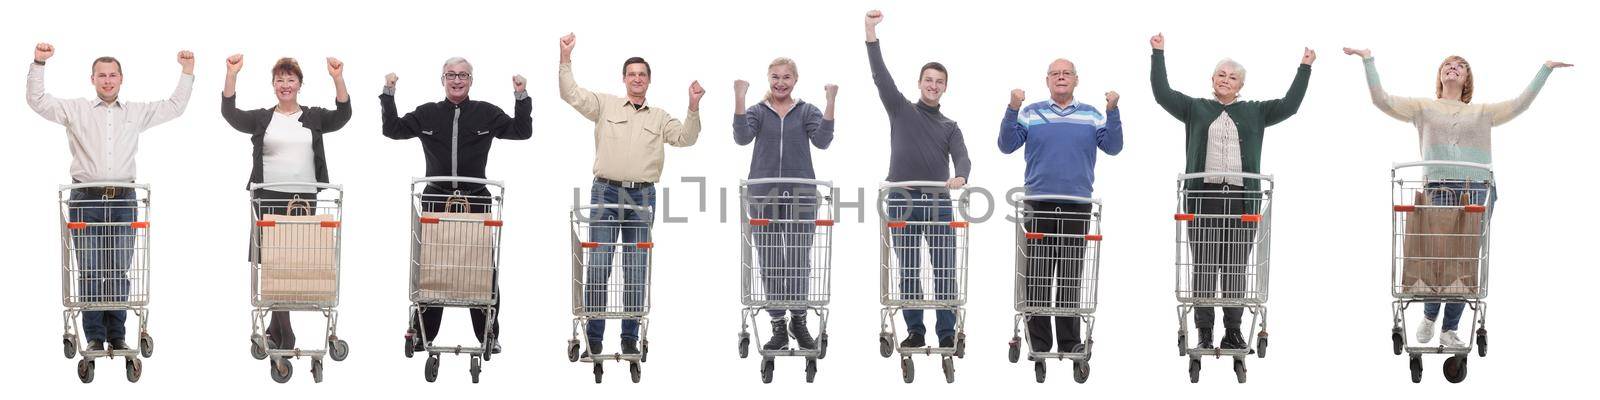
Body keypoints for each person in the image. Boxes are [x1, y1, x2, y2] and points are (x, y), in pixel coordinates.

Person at [1342, 46, 1571, 348]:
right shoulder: (1422, 107)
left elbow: (1519, 105)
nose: (1453, 67)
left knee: (1462, 260)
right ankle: (1429, 315)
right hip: (1438, 187)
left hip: (1476, 187)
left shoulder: (1483, 112)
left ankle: (1449, 327)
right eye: (1447, 64)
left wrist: (1546, 68)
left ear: (1467, 79)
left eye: (1460, 65)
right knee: (1439, 255)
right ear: (1440, 76)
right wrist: (1368, 59)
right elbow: (1380, 100)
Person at [27, 43, 195, 352]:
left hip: (123, 200)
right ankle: (94, 335)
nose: (107, 80)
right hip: (85, 199)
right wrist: (39, 62)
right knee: (90, 268)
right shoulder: (75, 109)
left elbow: (174, 106)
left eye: (113, 75)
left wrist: (186, 71)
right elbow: (37, 100)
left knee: (119, 267)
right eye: (101, 75)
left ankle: (117, 334)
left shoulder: (135, 112)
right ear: (92, 79)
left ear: (121, 79)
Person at [1149, 33, 1312, 350]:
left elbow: (1290, 106)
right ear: (1212, 79)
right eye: (1221, 75)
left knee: (1237, 266)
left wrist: (1304, 67)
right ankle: (1205, 331)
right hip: (1203, 199)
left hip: (1241, 201)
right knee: (1205, 266)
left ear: (1241, 86)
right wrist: (1158, 53)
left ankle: (1233, 330)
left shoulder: (1255, 111)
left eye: (1233, 77)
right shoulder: (1195, 108)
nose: (1226, 80)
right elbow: (1162, 94)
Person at [558, 33, 702, 356]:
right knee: (599, 264)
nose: (637, 79)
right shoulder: (605, 105)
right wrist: (566, 58)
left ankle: (629, 337)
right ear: (624, 79)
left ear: (649, 81)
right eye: (631, 74)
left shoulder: (660, 117)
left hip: (642, 198)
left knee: (636, 267)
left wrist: (692, 108)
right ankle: (594, 335)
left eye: (642, 74)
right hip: (605, 193)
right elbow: (571, 94)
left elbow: (685, 138)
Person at [382, 57, 532, 355]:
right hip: (436, 199)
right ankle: (423, 334)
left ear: (471, 80)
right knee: (432, 268)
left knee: (479, 269)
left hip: (475, 199)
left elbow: (521, 130)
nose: (457, 79)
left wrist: (521, 96)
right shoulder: (427, 113)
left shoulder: (486, 112)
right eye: (451, 74)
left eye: (463, 75)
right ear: (442, 80)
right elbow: (393, 129)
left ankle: (488, 333)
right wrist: (388, 92)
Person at [220, 54, 351, 352]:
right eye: (279, 80)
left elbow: (343, 115)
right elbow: (230, 114)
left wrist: (338, 78)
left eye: (290, 79)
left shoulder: (313, 117)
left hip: (304, 200)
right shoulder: (262, 118)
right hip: (268, 199)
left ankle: (274, 331)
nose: (285, 84)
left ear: (300, 84)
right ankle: (286, 334)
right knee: (275, 264)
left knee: (296, 263)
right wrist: (231, 75)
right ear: (273, 85)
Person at [998, 58, 1122, 369]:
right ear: (1047, 80)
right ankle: (1039, 344)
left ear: (1076, 80)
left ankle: (1070, 341)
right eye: (1055, 74)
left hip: (1077, 204)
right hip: (1038, 203)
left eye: (1067, 74)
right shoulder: (1031, 112)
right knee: (1038, 276)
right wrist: (1012, 108)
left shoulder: (1092, 114)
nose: (1061, 78)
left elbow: (1114, 146)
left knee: (1070, 276)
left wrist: (1113, 111)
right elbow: (1006, 144)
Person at [865, 10, 973, 349]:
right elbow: (880, 75)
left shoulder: (950, 126)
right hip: (902, 200)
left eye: (940, 82)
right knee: (909, 268)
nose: (933, 85)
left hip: (939, 202)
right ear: (919, 82)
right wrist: (870, 32)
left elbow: (963, 156)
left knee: (944, 269)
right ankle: (915, 331)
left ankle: (945, 332)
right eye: (929, 79)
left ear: (945, 88)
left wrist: (961, 176)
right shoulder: (900, 108)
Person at [732, 57, 837, 350]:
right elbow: (741, 137)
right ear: (768, 79)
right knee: (772, 262)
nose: (780, 83)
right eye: (775, 77)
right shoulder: (757, 111)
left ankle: (799, 321)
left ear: (795, 80)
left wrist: (830, 101)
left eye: (786, 77)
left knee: (798, 263)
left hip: (801, 196)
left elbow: (823, 141)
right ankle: (778, 324)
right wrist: (739, 97)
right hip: (763, 195)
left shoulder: (806, 111)